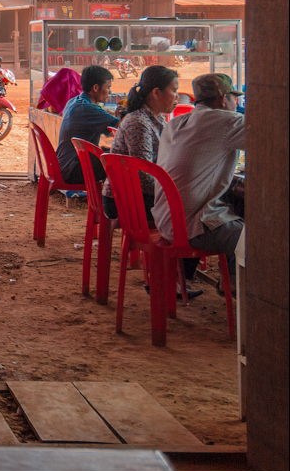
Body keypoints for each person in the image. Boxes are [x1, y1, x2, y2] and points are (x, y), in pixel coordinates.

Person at [101, 66, 202, 298]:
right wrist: (174, 190)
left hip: (137, 196)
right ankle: (169, 278)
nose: (177, 97)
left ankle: (172, 276)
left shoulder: (153, 119)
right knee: (192, 214)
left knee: (191, 206)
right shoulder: (139, 123)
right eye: (174, 91)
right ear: (156, 93)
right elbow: (142, 175)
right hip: (127, 201)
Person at [152, 73, 244, 295]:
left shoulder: (174, 123)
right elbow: (272, 138)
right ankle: (243, 295)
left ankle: (230, 281)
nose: (236, 104)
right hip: (192, 228)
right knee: (258, 237)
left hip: (165, 220)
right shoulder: (226, 121)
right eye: (234, 98)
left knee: (231, 211)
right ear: (223, 100)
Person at [56, 65, 119, 186]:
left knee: (109, 152)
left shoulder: (74, 102)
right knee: (120, 163)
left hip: (64, 163)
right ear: (96, 88)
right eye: (108, 87)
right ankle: (113, 201)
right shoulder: (88, 109)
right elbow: (123, 127)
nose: (110, 92)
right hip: (73, 169)